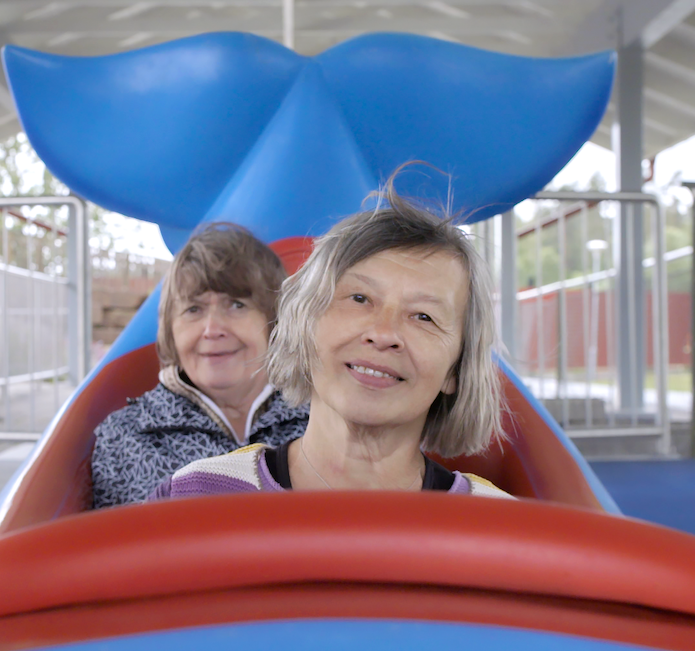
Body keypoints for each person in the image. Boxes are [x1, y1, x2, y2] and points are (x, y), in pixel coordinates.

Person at [148, 178, 512, 500]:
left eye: (423, 317)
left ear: (456, 370)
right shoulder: (194, 497)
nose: (384, 334)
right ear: (304, 324)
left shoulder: (499, 528)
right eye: (359, 299)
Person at [90, 223, 309, 507]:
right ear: (170, 329)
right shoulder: (126, 435)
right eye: (194, 309)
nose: (212, 329)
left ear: (275, 321)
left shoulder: (323, 417)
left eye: (236, 305)